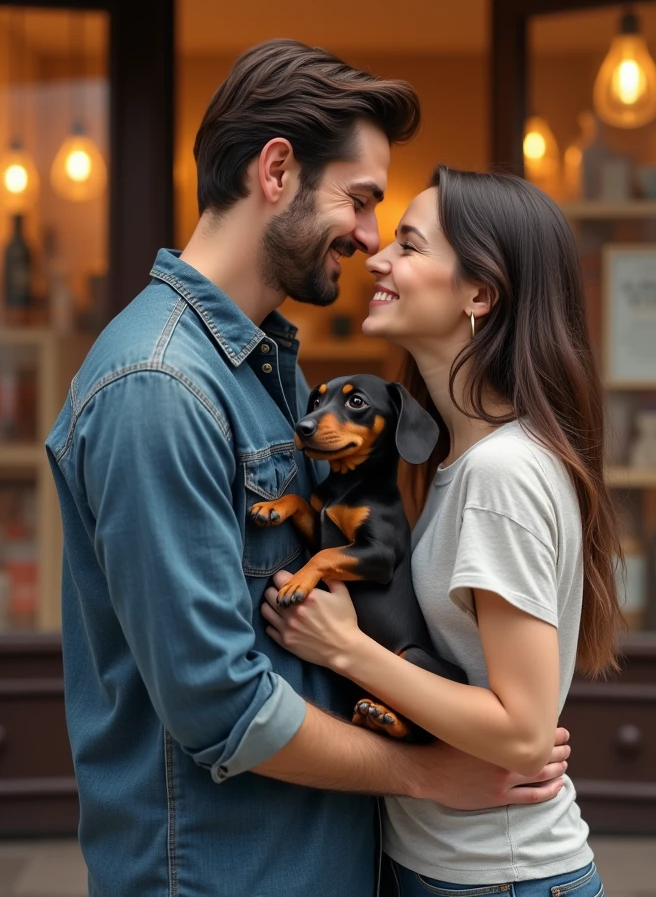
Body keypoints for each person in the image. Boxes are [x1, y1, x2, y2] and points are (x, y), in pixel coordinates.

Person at [47, 45, 570, 897]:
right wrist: (428, 774)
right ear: (278, 171)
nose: (369, 240)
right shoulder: (158, 387)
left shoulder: (269, 371)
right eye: (362, 202)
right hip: (223, 876)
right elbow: (219, 705)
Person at [263, 166, 621, 897]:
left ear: (480, 294)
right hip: (455, 867)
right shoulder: (459, 463)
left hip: (503, 877)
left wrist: (347, 650)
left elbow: (521, 733)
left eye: (410, 245)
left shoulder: (502, 474)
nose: (379, 258)